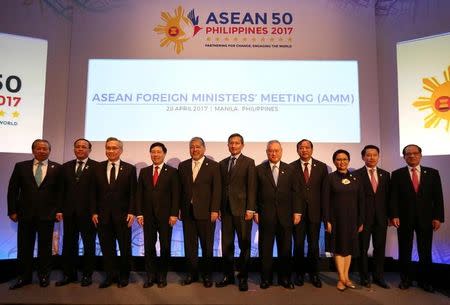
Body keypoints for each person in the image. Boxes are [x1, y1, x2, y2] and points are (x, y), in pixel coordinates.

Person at [7, 139, 62, 289]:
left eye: (45, 149)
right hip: (25, 214)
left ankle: (44, 276)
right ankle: (23, 277)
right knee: (24, 247)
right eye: (39, 148)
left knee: (45, 247)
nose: (42, 151)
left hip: (47, 215)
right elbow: (13, 190)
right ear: (33, 150)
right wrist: (12, 210)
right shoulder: (21, 167)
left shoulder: (57, 168)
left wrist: (58, 210)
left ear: (49, 151)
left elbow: (60, 192)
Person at [390, 144, 444, 293]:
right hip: (404, 219)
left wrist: (438, 217)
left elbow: (438, 197)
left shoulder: (433, 173)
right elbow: (393, 197)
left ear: (420, 155)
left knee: (425, 251)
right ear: (404, 156)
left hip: (426, 219)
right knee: (405, 250)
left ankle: (425, 281)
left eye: (415, 153)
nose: (412, 156)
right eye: (408, 154)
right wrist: (394, 215)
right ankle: (405, 279)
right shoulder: (397, 174)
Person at [254, 140, 303, 290]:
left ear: (281, 152)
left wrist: (297, 211)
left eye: (276, 150)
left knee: (285, 249)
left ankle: (285, 279)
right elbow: (254, 192)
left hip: (286, 216)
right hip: (265, 216)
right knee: (265, 249)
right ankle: (266, 279)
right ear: (267, 152)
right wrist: (255, 211)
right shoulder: (259, 169)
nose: (273, 153)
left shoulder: (290, 169)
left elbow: (296, 192)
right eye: (270, 151)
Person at [91, 137, 136, 288]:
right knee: (107, 248)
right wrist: (94, 212)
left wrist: (132, 211)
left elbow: (132, 193)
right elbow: (93, 192)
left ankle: (124, 276)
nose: (111, 151)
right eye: (108, 148)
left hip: (123, 216)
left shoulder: (130, 168)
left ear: (121, 150)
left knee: (124, 248)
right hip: (102, 216)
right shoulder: (97, 167)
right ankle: (109, 276)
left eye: (114, 148)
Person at [178, 137, 221, 288]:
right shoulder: (182, 166)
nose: (194, 149)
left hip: (207, 213)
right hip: (187, 212)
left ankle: (207, 275)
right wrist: (179, 209)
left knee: (207, 246)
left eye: (197, 147)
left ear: (204, 148)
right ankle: (192, 274)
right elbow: (180, 190)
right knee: (190, 246)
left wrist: (215, 209)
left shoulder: (214, 166)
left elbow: (217, 190)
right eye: (192, 147)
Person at [136, 142, 180, 288]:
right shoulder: (144, 171)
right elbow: (139, 194)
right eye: (153, 152)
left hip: (166, 216)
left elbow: (176, 195)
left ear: (164, 154)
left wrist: (174, 214)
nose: (155, 154)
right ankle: (150, 276)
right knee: (149, 247)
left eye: (158, 152)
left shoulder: (172, 172)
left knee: (165, 246)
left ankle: (162, 276)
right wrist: (139, 213)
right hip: (147, 216)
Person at [216, 133, 256, 292]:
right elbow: (220, 188)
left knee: (244, 245)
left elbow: (252, 187)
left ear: (242, 145)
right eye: (231, 143)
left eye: (237, 143)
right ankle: (228, 275)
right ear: (227, 145)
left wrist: (251, 209)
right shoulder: (222, 163)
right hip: (226, 211)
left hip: (242, 210)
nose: (233, 146)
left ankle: (243, 277)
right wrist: (218, 208)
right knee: (226, 245)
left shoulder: (249, 162)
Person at [56, 138, 98, 287]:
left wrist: (95, 211)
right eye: (77, 147)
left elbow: (98, 193)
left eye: (84, 147)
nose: (80, 149)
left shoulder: (97, 167)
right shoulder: (65, 167)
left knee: (89, 245)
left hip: (88, 214)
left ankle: (87, 275)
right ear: (74, 149)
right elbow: (61, 190)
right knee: (69, 245)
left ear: (89, 150)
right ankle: (69, 274)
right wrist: (59, 209)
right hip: (69, 213)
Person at [323, 149, 364, 291]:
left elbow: (361, 200)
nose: (342, 162)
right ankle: (341, 278)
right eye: (339, 159)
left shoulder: (356, 178)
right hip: (336, 219)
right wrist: (327, 220)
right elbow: (325, 201)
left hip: (352, 219)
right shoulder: (330, 178)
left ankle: (347, 278)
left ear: (349, 160)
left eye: (345, 159)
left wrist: (360, 221)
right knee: (339, 249)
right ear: (334, 162)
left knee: (349, 249)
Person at [290, 139, 328, 288]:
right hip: (297, 214)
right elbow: (290, 192)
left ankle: (314, 274)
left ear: (312, 149)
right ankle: (299, 274)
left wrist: (325, 215)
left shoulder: (322, 167)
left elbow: (324, 193)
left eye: (307, 147)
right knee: (298, 245)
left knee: (314, 246)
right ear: (297, 150)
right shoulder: (291, 167)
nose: (304, 150)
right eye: (301, 148)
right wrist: (294, 211)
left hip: (315, 213)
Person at [354, 145, 390, 289]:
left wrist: (391, 216)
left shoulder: (385, 174)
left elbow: (389, 197)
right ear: (363, 157)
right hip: (363, 219)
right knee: (363, 248)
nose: (371, 157)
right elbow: (354, 199)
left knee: (379, 248)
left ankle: (379, 276)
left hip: (381, 218)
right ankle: (364, 277)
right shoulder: (356, 175)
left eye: (374, 155)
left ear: (378, 156)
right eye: (368, 155)